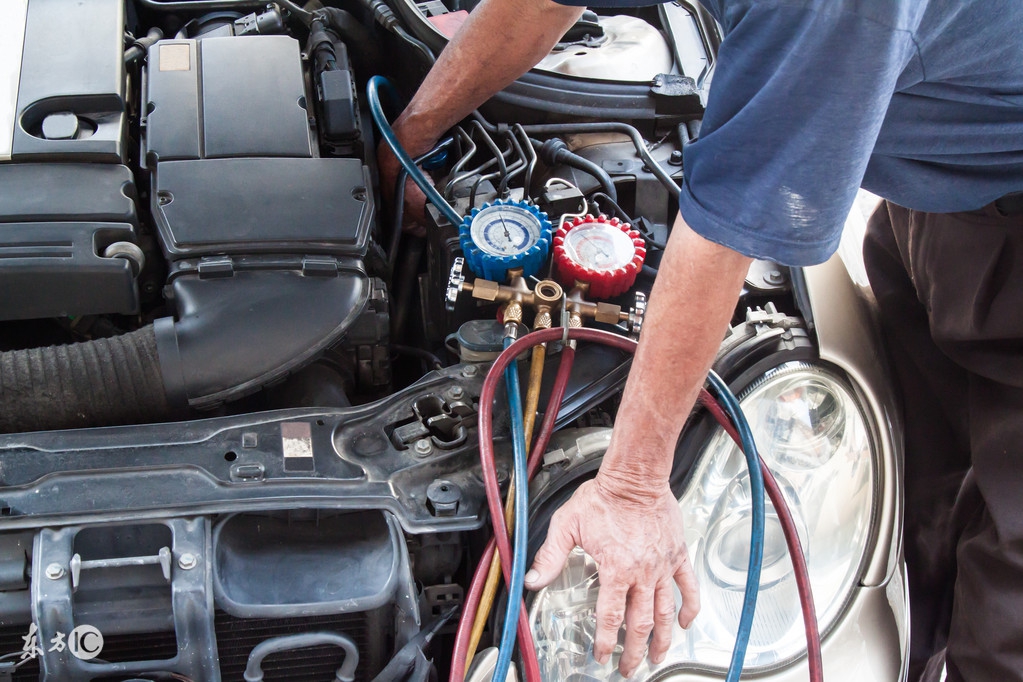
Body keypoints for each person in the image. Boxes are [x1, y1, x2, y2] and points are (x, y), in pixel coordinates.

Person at [378, 0, 1023, 679]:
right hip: (944, 185)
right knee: (915, 492)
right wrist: (410, 139)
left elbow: (726, 233)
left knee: (1010, 585)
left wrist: (631, 487)